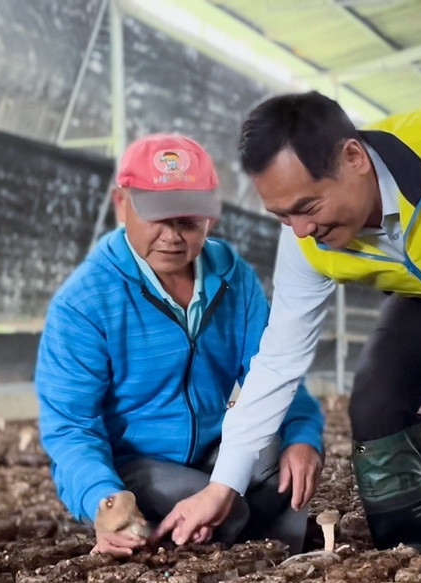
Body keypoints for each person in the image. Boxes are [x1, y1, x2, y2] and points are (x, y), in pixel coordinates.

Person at [152, 93, 421, 554]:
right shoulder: (303, 243)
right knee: (374, 409)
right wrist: (223, 486)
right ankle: (410, 562)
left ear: (353, 157)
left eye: (308, 207)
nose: (299, 230)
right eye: (283, 215)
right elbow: (278, 360)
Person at [35, 133, 325, 557]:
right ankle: (216, 554)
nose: (173, 236)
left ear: (211, 217)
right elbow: (71, 426)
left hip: (212, 445)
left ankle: (276, 563)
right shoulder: (85, 303)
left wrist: (303, 435)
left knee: (280, 456)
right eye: (158, 217)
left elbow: (273, 370)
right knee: (228, 508)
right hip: (135, 467)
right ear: (122, 203)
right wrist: (103, 496)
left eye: (189, 220)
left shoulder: (233, 278)